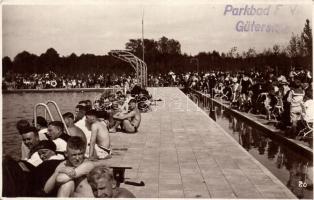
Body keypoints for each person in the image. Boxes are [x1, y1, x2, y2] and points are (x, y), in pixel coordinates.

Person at [44, 136, 108, 197]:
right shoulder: (63, 165)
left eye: (80, 154)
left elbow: (60, 179)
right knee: (68, 184)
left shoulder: (87, 165)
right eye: (74, 155)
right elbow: (46, 190)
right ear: (66, 154)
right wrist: (58, 171)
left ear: (84, 153)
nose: (77, 158)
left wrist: (61, 170)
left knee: (67, 183)